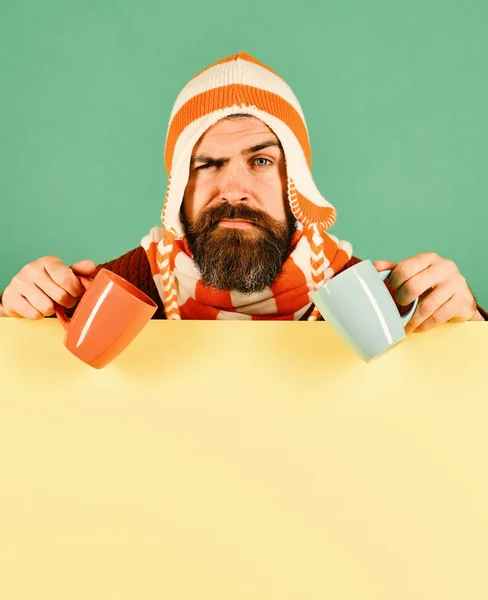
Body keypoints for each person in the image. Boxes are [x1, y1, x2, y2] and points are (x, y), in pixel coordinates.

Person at [1, 51, 486, 332]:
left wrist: (468, 327)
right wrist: (16, 316)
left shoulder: (373, 298)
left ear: (295, 181)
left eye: (260, 161)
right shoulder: (123, 290)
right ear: (178, 191)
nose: (233, 189)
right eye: (207, 164)